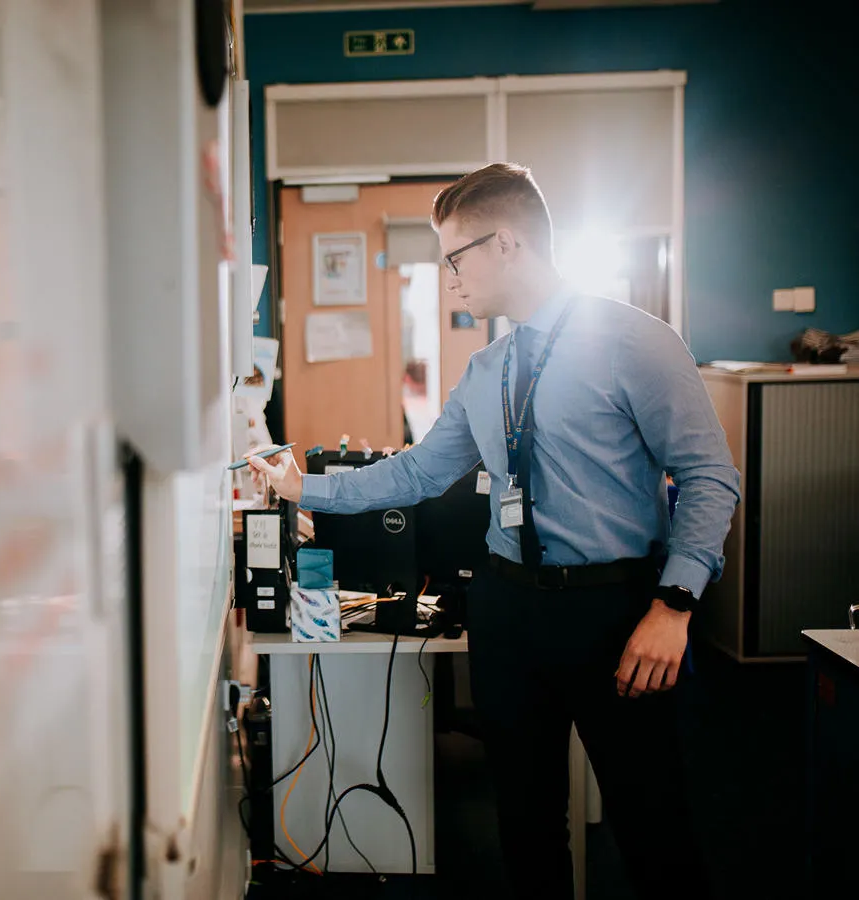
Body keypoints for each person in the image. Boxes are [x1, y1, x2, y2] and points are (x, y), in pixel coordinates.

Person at [249, 163, 739, 900]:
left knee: (652, 821)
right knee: (526, 819)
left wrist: (674, 606)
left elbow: (709, 478)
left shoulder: (636, 342)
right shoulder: (486, 370)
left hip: (619, 609)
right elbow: (414, 474)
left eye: (454, 257)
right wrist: (302, 487)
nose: (448, 278)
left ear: (507, 243)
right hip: (508, 610)